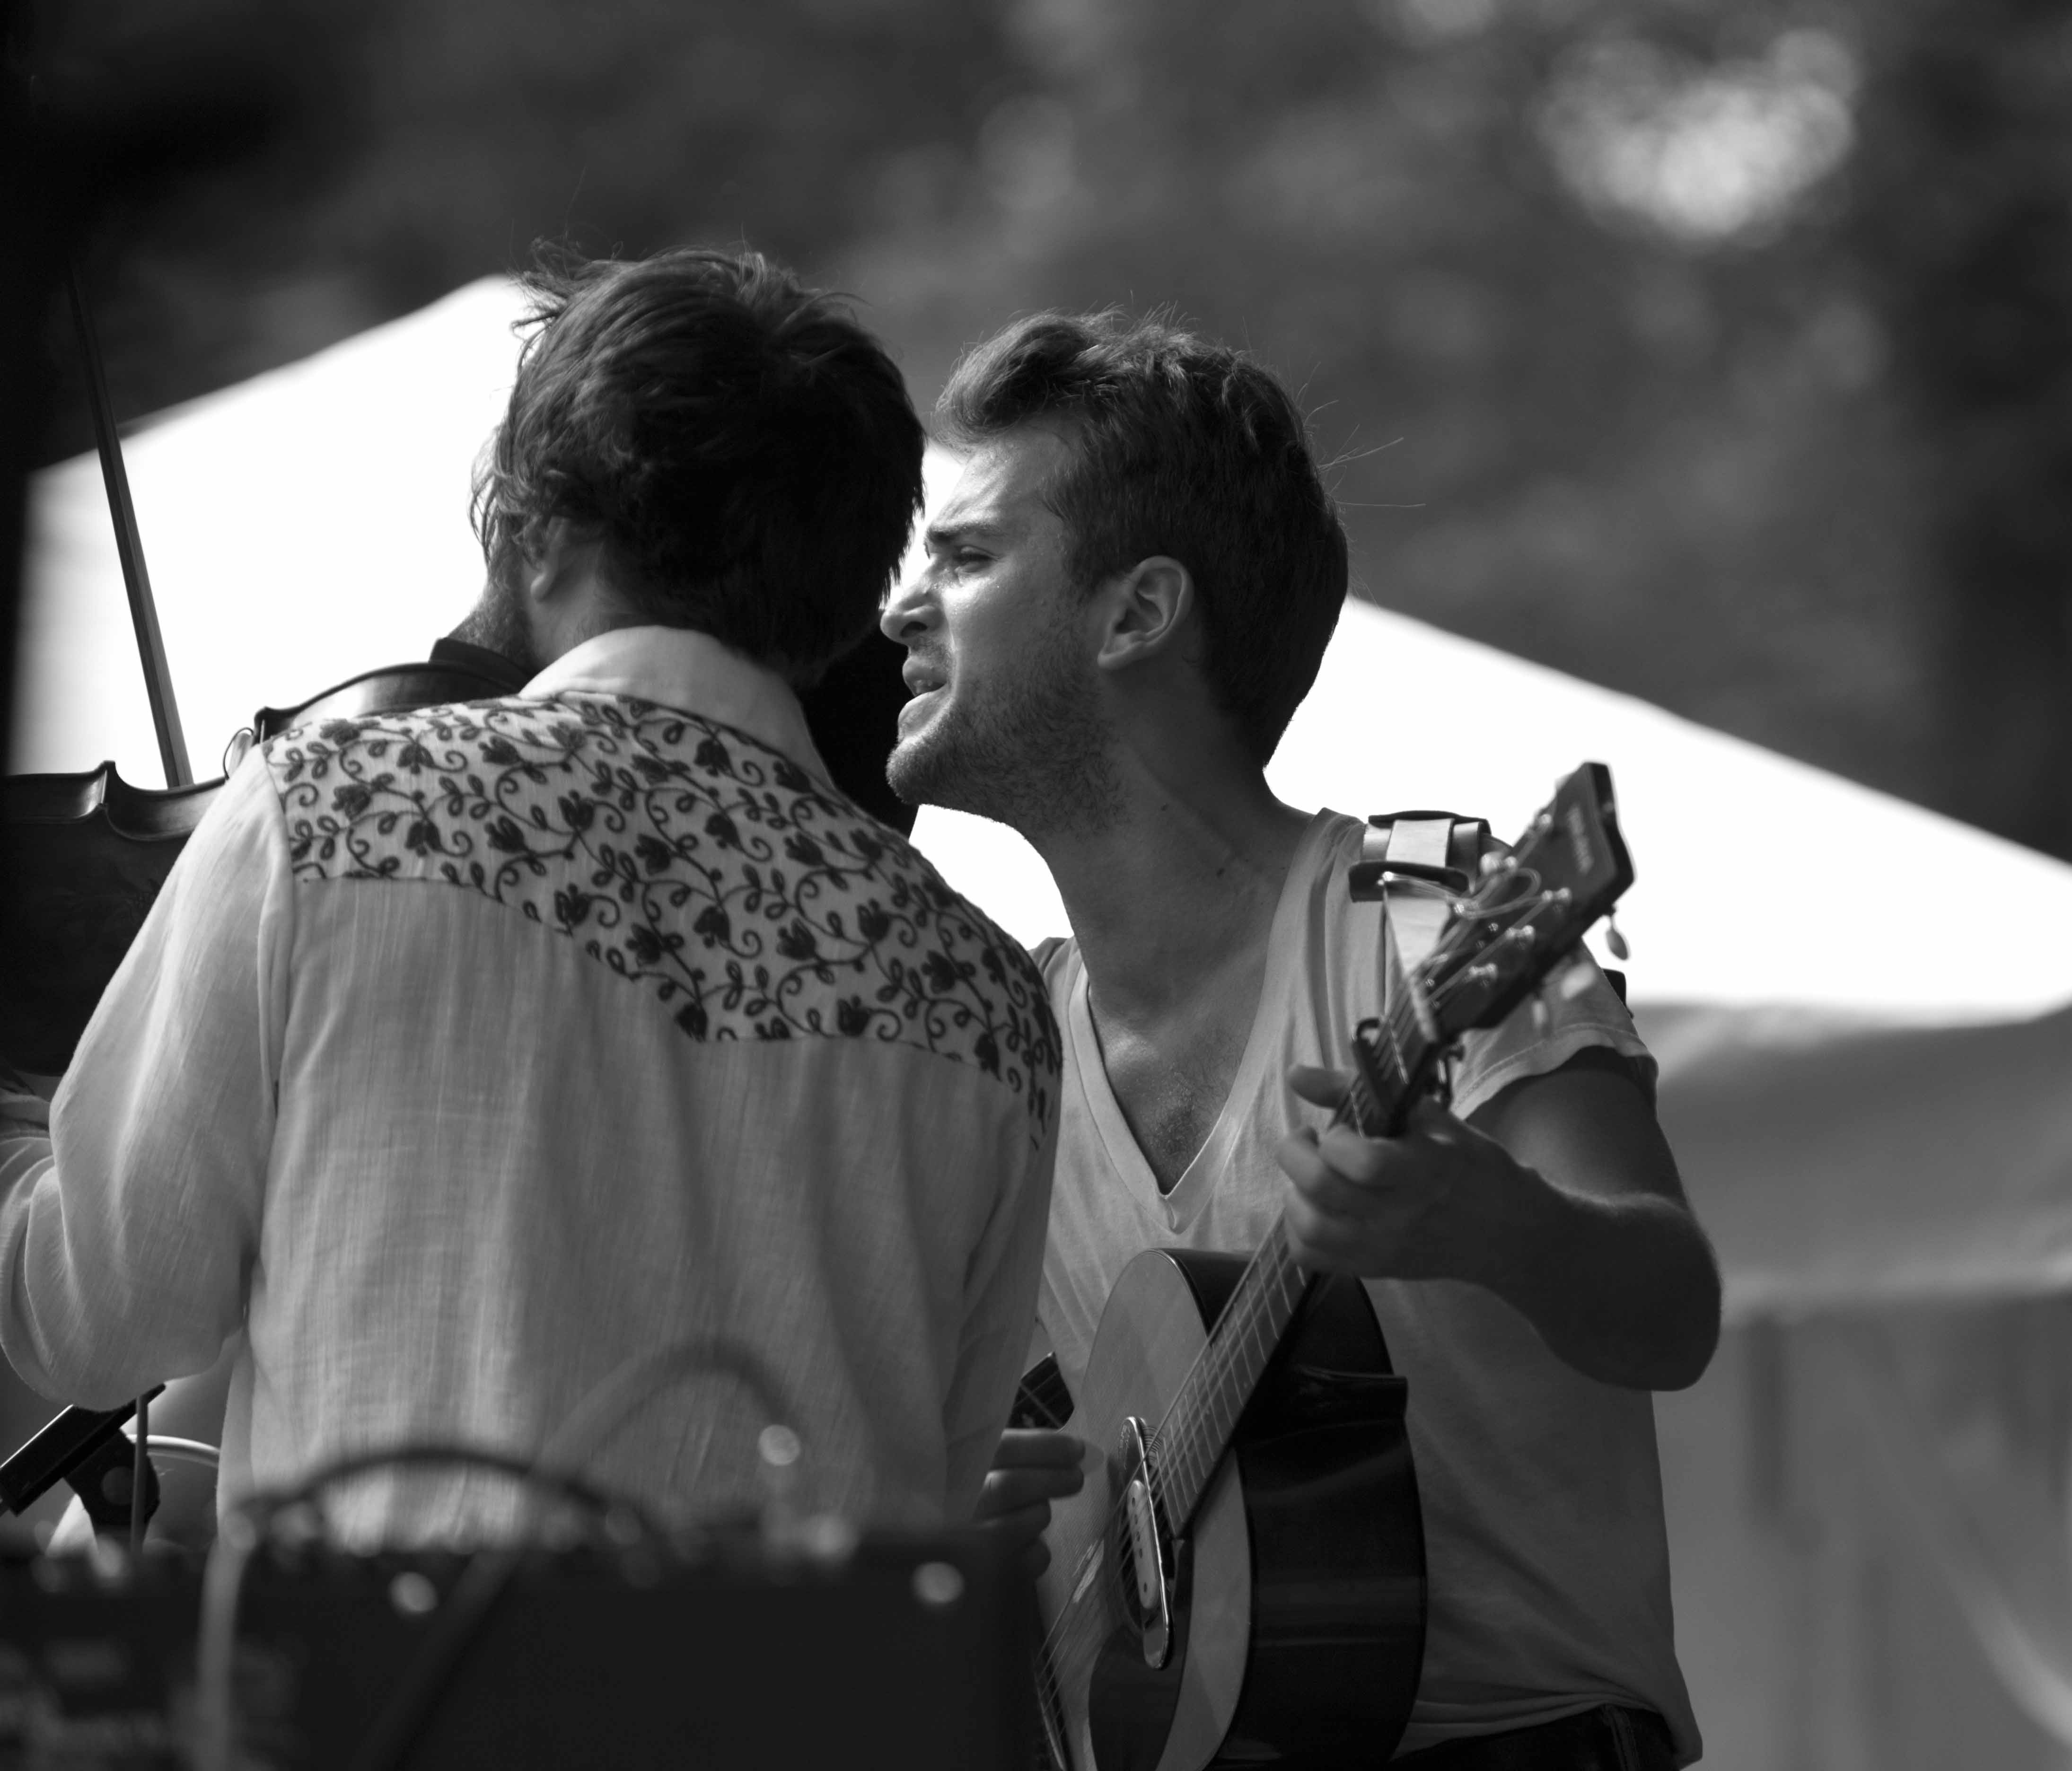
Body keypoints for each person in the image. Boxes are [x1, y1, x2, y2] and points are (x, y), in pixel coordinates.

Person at [0, 248, 1058, 1543]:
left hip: (383, 1669)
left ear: (540, 523)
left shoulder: (332, 809)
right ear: (845, 608)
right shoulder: (987, 1007)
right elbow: (933, 1502)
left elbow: (101, 1320)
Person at [893, 311, 1718, 1768]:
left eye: (964, 558)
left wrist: (1496, 1222)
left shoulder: (1426, 920)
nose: (903, 606)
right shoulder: (1011, 1044)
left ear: (1137, 614)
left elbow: (1673, 1310)